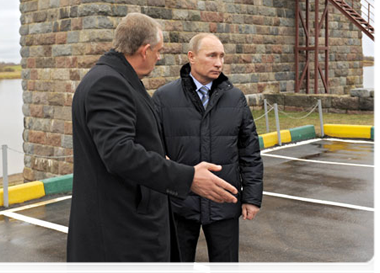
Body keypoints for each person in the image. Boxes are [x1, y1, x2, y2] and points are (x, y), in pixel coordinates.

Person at [67, 14, 239, 273]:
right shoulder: (108, 83)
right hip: (120, 236)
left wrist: (168, 163)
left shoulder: (117, 78)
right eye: (158, 52)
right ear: (145, 50)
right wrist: (188, 177)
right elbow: (119, 153)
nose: (160, 58)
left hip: (125, 232)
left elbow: (134, 143)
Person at [153, 33, 264, 273]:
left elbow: (250, 151)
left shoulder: (235, 98)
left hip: (224, 200)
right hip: (179, 204)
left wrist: (252, 197)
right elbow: (154, 152)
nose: (219, 63)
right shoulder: (163, 98)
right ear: (191, 57)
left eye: (222, 56)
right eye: (212, 55)